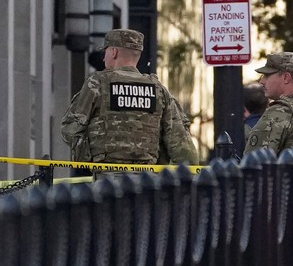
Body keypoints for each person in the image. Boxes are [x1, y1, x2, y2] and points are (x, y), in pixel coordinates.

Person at [61, 28, 198, 165]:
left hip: (107, 178)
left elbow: (70, 128)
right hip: (147, 179)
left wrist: (89, 159)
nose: (103, 57)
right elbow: (183, 148)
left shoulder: (97, 83)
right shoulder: (158, 90)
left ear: (114, 52)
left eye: (106, 51)